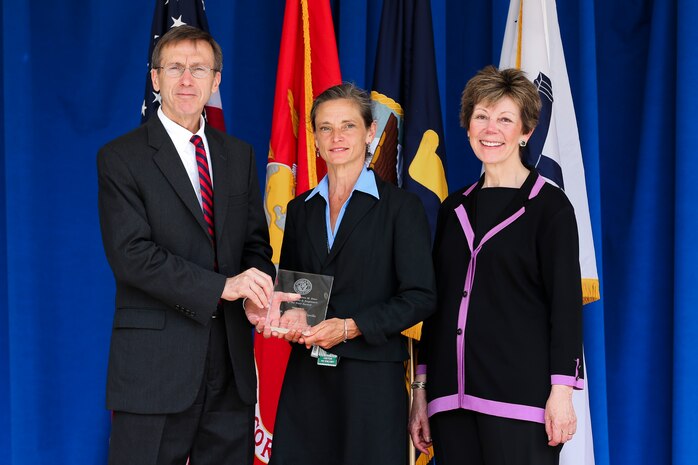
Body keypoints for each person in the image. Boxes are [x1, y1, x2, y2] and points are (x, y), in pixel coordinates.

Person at [97, 25, 275, 465]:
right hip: (154, 368)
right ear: (155, 78)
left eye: (199, 69)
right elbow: (132, 257)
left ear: (216, 80)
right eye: (175, 68)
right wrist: (222, 287)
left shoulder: (239, 155)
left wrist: (257, 292)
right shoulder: (121, 158)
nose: (186, 80)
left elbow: (255, 247)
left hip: (231, 369)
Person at [409, 66, 584, 465]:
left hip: (521, 404)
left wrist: (561, 393)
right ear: (468, 127)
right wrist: (422, 389)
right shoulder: (453, 209)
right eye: (481, 117)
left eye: (505, 119)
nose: (491, 128)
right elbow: (435, 309)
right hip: (450, 402)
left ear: (525, 132)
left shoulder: (550, 208)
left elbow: (566, 307)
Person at [261, 83, 437, 465]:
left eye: (348, 126)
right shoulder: (300, 210)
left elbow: (421, 296)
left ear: (370, 132)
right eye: (325, 128)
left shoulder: (401, 209)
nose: (336, 137)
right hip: (307, 379)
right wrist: (288, 320)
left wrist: (351, 326)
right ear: (315, 139)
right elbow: (296, 292)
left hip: (370, 384)